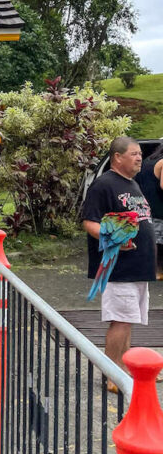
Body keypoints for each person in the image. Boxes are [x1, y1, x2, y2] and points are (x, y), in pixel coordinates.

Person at [81, 136, 156, 381]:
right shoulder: (104, 184)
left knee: (128, 320)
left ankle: (125, 370)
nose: (139, 158)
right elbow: (89, 222)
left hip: (138, 266)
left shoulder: (132, 184)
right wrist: (113, 239)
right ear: (117, 157)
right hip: (118, 268)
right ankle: (112, 375)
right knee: (120, 321)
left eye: (140, 155)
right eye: (134, 153)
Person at [136, 141, 163, 280]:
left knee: (153, 240)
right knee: (159, 243)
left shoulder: (148, 161)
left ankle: (152, 270)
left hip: (145, 208)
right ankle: (157, 272)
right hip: (159, 209)